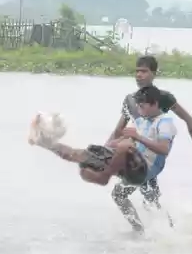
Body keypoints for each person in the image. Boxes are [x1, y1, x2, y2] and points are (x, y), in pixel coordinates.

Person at [31, 87, 177, 214]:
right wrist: (112, 145)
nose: (139, 109)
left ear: (155, 104)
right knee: (80, 155)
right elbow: (123, 137)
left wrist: (137, 137)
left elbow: (164, 149)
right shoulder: (142, 121)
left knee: (125, 145)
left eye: (142, 106)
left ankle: (104, 177)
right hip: (128, 164)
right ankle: (43, 142)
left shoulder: (165, 123)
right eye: (137, 106)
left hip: (144, 170)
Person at [109, 55, 192, 219]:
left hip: (153, 157)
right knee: (148, 201)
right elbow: (118, 130)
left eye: (144, 71)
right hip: (139, 156)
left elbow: (188, 120)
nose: (139, 75)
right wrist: (104, 150)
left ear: (154, 73)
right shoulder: (130, 100)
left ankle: (149, 234)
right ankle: (156, 234)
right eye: (137, 71)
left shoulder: (163, 98)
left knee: (139, 198)